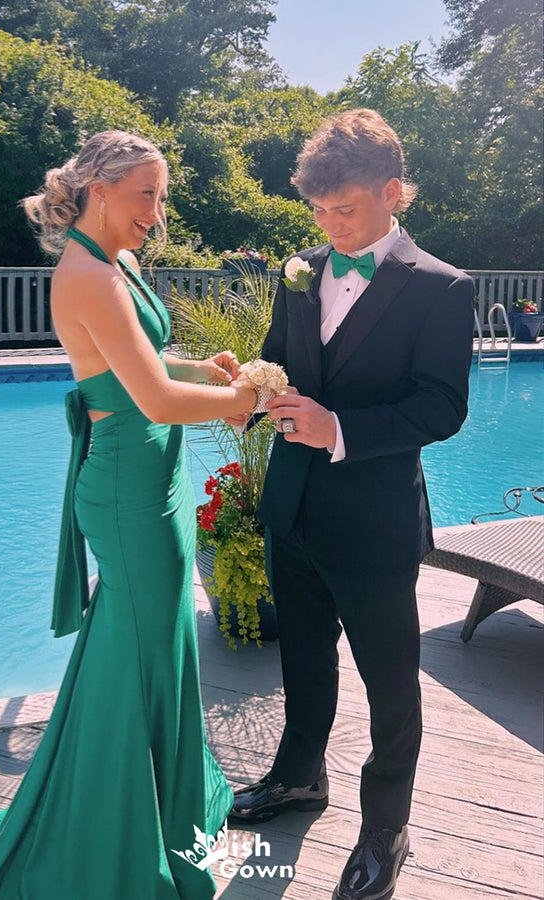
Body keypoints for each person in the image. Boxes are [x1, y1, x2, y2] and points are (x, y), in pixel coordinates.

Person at [0, 130, 262, 900]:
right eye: (146, 193)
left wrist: (206, 370)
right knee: (138, 658)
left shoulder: (119, 262)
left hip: (157, 480)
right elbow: (153, 400)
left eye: (161, 195)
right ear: (99, 189)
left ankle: (163, 812)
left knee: (152, 649)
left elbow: (145, 367)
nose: (157, 211)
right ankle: (112, 840)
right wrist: (243, 399)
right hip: (126, 492)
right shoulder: (87, 274)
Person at [228, 109, 475, 900]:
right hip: (292, 507)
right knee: (302, 657)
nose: (329, 227)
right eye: (319, 211)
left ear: (391, 192)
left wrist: (338, 430)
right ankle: (300, 777)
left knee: (390, 684)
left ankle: (385, 830)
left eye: (345, 209)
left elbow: (442, 408)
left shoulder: (442, 287)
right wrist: (247, 389)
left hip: (374, 522)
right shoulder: (299, 270)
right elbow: (280, 358)